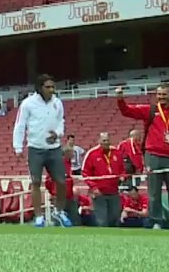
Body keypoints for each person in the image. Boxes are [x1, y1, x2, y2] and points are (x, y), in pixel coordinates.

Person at [115, 83, 169, 230]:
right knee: (154, 193)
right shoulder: (150, 110)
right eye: (159, 94)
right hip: (153, 156)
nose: (161, 97)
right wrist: (120, 99)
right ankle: (156, 222)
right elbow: (127, 111)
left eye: (164, 94)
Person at [12, 74, 72, 228]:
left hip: (54, 148)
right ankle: (39, 217)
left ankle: (58, 211)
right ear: (39, 88)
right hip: (35, 148)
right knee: (36, 182)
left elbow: (61, 121)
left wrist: (58, 133)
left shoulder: (57, 103)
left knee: (62, 181)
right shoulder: (28, 104)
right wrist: (18, 147)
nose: (51, 90)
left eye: (53, 87)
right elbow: (20, 125)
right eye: (48, 87)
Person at [81, 132, 125, 227]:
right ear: (99, 141)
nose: (106, 142)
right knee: (102, 220)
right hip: (99, 193)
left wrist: (122, 176)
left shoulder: (116, 152)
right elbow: (85, 173)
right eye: (104, 140)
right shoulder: (92, 154)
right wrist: (94, 187)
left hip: (114, 191)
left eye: (107, 140)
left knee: (115, 217)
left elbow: (122, 169)